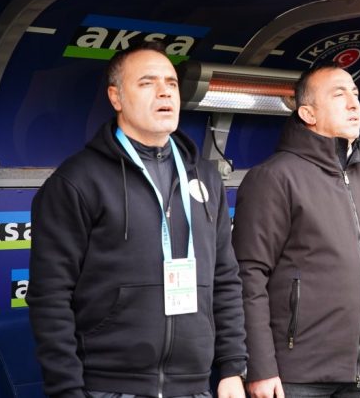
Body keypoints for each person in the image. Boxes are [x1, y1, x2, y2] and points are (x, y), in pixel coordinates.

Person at [27, 42, 247, 398]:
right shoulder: (77, 180)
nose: (165, 92)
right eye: (147, 83)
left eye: (171, 83)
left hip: (194, 387)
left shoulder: (205, 177)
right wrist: (66, 390)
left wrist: (233, 367)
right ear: (116, 97)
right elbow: (50, 295)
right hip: (109, 386)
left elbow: (225, 278)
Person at [232, 63, 360, 398]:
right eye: (339, 95)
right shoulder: (274, 177)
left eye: (355, 94)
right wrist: (260, 366)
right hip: (296, 376)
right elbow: (248, 275)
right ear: (308, 113)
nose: (353, 104)